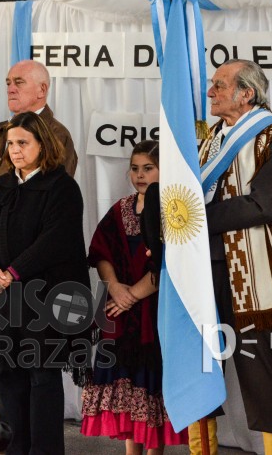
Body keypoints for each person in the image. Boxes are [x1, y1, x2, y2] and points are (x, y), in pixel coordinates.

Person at [0, 59, 78, 455]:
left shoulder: (59, 187)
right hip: (0, 297)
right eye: (11, 144)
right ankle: (17, 447)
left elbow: (54, 241)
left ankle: (43, 450)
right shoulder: (2, 187)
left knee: (41, 378)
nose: (14, 150)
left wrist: (10, 271)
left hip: (42, 301)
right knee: (7, 376)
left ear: (42, 145)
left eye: (22, 143)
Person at [191, 60, 272, 454]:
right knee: (200, 370)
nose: (210, 93)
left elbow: (264, 204)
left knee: (261, 377)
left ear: (246, 93)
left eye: (219, 85)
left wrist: (195, 219)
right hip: (201, 272)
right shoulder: (209, 138)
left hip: (249, 275)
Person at [81, 141, 188, 453]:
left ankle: (154, 450)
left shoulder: (173, 212)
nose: (140, 175)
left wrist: (132, 295)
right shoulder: (121, 208)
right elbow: (101, 250)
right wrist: (114, 286)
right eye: (135, 168)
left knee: (150, 382)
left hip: (156, 313)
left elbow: (170, 265)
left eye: (149, 168)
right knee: (127, 384)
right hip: (121, 311)